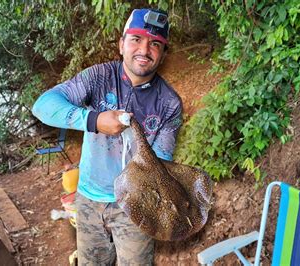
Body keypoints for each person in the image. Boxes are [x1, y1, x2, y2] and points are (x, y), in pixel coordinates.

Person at [32, 8, 183, 265]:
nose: (144, 50)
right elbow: (43, 105)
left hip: (136, 205)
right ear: (121, 44)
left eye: (155, 44)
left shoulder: (169, 104)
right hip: (89, 198)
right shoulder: (98, 77)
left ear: (164, 54)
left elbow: (161, 160)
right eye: (136, 39)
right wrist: (93, 120)